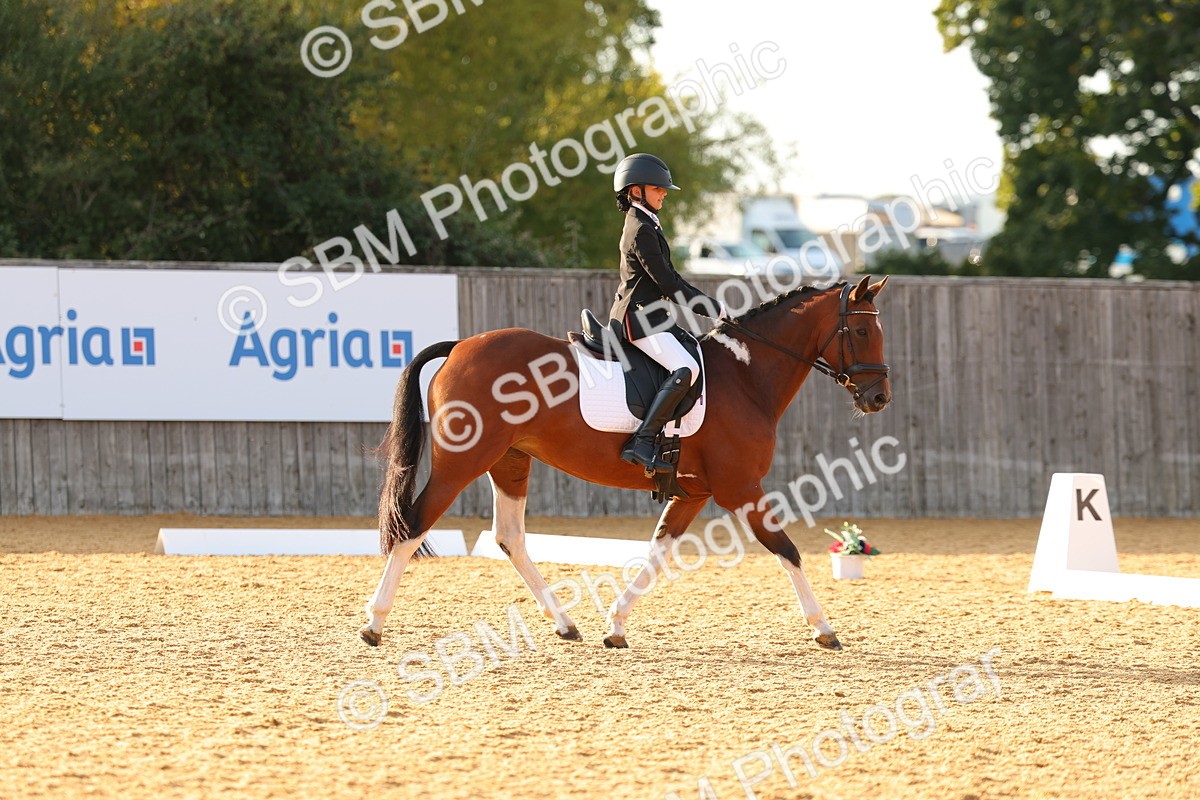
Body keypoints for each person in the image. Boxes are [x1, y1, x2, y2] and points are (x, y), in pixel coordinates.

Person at [608, 153, 727, 471]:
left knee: (692, 351)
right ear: (636, 191)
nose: (663, 194)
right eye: (657, 188)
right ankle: (642, 441)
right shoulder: (641, 230)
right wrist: (713, 309)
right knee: (686, 368)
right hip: (637, 318)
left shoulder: (646, 223)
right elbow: (669, 283)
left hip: (652, 315)